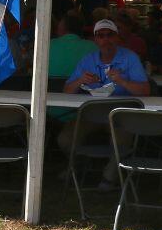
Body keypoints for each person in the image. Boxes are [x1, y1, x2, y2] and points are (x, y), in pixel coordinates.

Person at [61, 18, 150, 190]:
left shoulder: (130, 58)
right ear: (95, 39)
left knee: (121, 141)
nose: (105, 39)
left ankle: (108, 177)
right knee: (64, 139)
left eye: (110, 35)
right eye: (101, 35)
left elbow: (145, 90)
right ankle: (77, 165)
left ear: (117, 37)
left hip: (122, 114)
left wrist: (123, 82)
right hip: (92, 113)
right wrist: (81, 80)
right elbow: (67, 90)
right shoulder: (88, 60)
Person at [49, 11, 97, 79]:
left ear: (62, 29)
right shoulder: (93, 47)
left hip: (49, 88)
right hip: (81, 88)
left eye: (58, 27)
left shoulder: (47, 45)